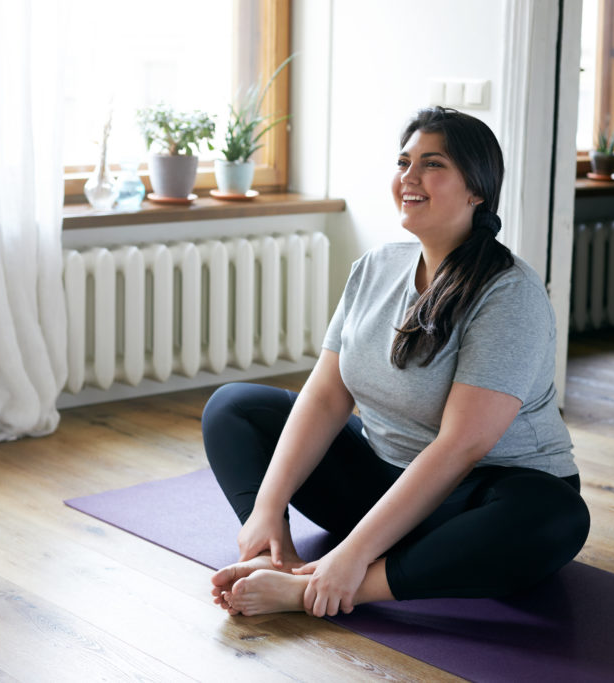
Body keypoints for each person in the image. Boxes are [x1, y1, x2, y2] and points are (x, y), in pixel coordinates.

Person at [201, 106, 590, 618]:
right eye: (404, 162)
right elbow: (324, 395)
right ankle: (277, 555)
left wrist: (349, 559)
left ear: (477, 189)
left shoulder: (509, 293)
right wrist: (266, 509)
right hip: (381, 481)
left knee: (556, 518)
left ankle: (325, 588)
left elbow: (459, 448)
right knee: (235, 406)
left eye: (433, 165)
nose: (409, 177)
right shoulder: (376, 266)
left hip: (474, 497)